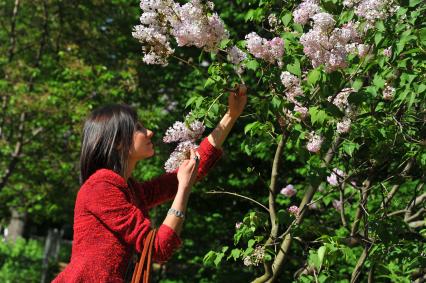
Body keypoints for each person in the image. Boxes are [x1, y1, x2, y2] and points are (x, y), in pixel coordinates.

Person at [52, 85, 247, 282]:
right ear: (118, 141)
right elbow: (159, 247)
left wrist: (231, 115)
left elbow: (189, 171)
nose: (150, 132)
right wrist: (184, 189)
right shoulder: (101, 187)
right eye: (138, 128)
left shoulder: (129, 189)